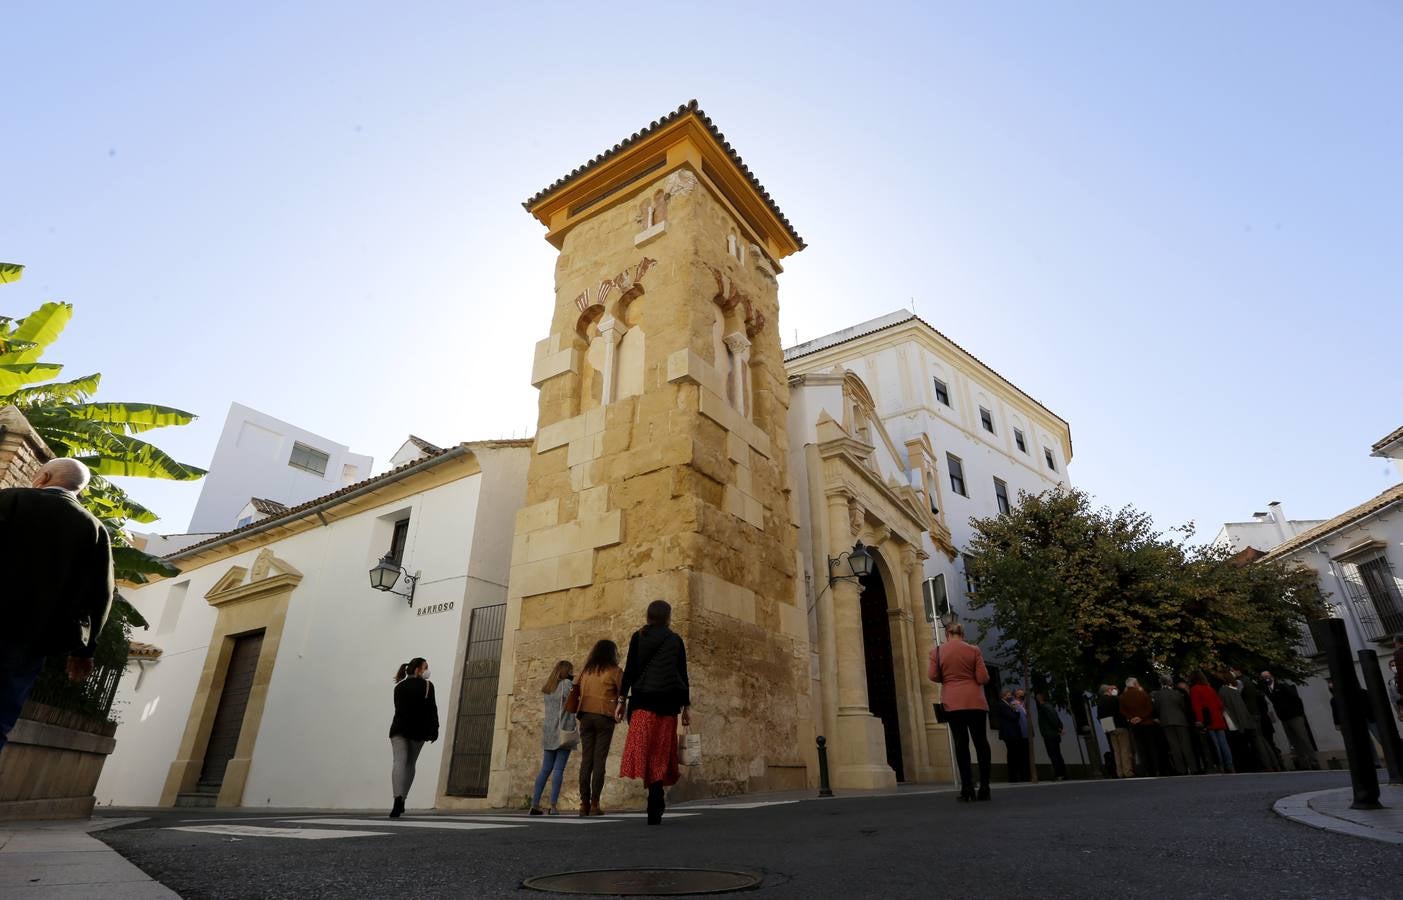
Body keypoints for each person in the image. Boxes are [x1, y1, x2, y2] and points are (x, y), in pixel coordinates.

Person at [0, 458, 114, 751]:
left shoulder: (10, 500)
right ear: (80, 490)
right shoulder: (94, 529)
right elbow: (100, 595)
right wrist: (84, 651)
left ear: (43, 477)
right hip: (30, 640)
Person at [619, 600, 690, 824]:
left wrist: (621, 699)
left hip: (642, 703)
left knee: (644, 749)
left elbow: (629, 670)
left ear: (648, 616)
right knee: (660, 751)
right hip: (668, 705)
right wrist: (687, 706)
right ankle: (656, 794)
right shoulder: (675, 640)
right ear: (668, 617)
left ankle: (654, 792)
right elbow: (682, 674)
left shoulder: (638, 637)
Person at [929, 621, 992, 801]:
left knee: (960, 743)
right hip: (975, 702)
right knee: (981, 743)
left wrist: (948, 678)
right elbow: (983, 677)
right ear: (962, 634)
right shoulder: (974, 650)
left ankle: (967, 789)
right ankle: (985, 787)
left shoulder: (937, 652)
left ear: (947, 634)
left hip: (952, 703)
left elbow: (932, 675)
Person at [576, 639, 624, 816]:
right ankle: (595, 803)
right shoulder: (615, 671)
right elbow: (622, 692)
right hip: (604, 717)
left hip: (585, 716)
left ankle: (583, 804)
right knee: (599, 760)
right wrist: (620, 709)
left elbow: (577, 688)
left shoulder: (586, 671)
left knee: (586, 760)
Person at [388, 656, 439, 818]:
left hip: (398, 728)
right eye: (425, 667)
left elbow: (399, 709)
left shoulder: (399, 687)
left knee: (398, 762)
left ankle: (396, 799)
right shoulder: (427, 685)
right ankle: (403, 799)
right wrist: (434, 729)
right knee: (410, 763)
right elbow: (432, 709)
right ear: (418, 669)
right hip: (418, 729)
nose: (427, 670)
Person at [530, 660, 577, 816]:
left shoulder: (548, 688)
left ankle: (534, 804)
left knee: (545, 769)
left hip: (548, 732)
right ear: (566, 671)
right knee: (558, 769)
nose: (572, 672)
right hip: (563, 730)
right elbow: (574, 704)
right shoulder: (567, 685)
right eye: (571, 669)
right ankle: (553, 806)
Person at [1261, 671, 1317, 770]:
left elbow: (1296, 698)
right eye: (1264, 677)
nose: (1266, 679)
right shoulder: (1267, 689)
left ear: (1272, 676)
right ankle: (1304, 763)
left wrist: (1299, 713)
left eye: (1267, 676)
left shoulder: (1282, 686)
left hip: (1294, 716)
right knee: (1294, 741)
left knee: (1303, 738)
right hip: (1284, 718)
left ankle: (1313, 761)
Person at [1232, 669, 1279, 771]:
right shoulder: (1249, 680)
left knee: (1257, 740)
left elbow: (1236, 695)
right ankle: (1275, 764)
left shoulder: (1240, 682)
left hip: (1250, 713)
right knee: (1262, 739)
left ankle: (1267, 766)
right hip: (1256, 712)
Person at [1190, 672, 1233, 773]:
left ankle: (1220, 765)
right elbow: (1220, 705)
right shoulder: (1210, 688)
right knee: (1223, 744)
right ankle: (1229, 764)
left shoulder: (1194, 689)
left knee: (1214, 745)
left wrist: (1200, 721)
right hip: (1217, 718)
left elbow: (1197, 707)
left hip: (1207, 720)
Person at [1152, 678, 1196, 775]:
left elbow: (1156, 709)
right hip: (1180, 720)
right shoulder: (1177, 693)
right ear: (1170, 683)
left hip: (1166, 722)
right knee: (1186, 745)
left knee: (1174, 746)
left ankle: (1181, 769)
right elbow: (1183, 707)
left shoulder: (1157, 695)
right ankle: (1192, 767)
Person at [1119, 677, 1161, 777]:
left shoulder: (1123, 697)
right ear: (1135, 684)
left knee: (1141, 748)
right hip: (1147, 723)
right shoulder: (1143, 694)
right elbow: (1150, 708)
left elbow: (1122, 711)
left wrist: (1132, 718)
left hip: (1135, 725)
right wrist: (1141, 717)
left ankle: (1146, 770)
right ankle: (1156, 769)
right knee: (1151, 747)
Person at [1098, 684, 1134, 778]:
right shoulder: (1114, 699)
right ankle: (1127, 771)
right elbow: (1122, 711)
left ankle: (1119, 772)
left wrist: (1108, 728)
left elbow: (1101, 716)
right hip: (1120, 725)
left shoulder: (1101, 702)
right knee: (1124, 749)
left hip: (1109, 728)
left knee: (1116, 751)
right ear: (1108, 690)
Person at [996, 689, 1029, 783]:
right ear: (1004, 696)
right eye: (1009, 695)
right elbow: (1014, 717)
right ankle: (1013, 777)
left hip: (1011, 733)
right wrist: (1016, 709)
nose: (1011, 697)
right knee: (1012, 754)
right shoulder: (1002, 705)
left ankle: (1015, 776)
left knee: (1013, 754)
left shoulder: (1005, 704)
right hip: (1009, 733)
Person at [1035, 691, 1068, 780]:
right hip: (1053, 734)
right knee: (1057, 754)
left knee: (1053, 754)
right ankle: (1062, 773)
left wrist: (1058, 729)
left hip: (1049, 734)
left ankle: (1059, 774)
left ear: (1040, 699)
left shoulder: (1044, 707)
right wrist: (1060, 728)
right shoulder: (1049, 706)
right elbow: (1056, 719)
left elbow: (1052, 719)